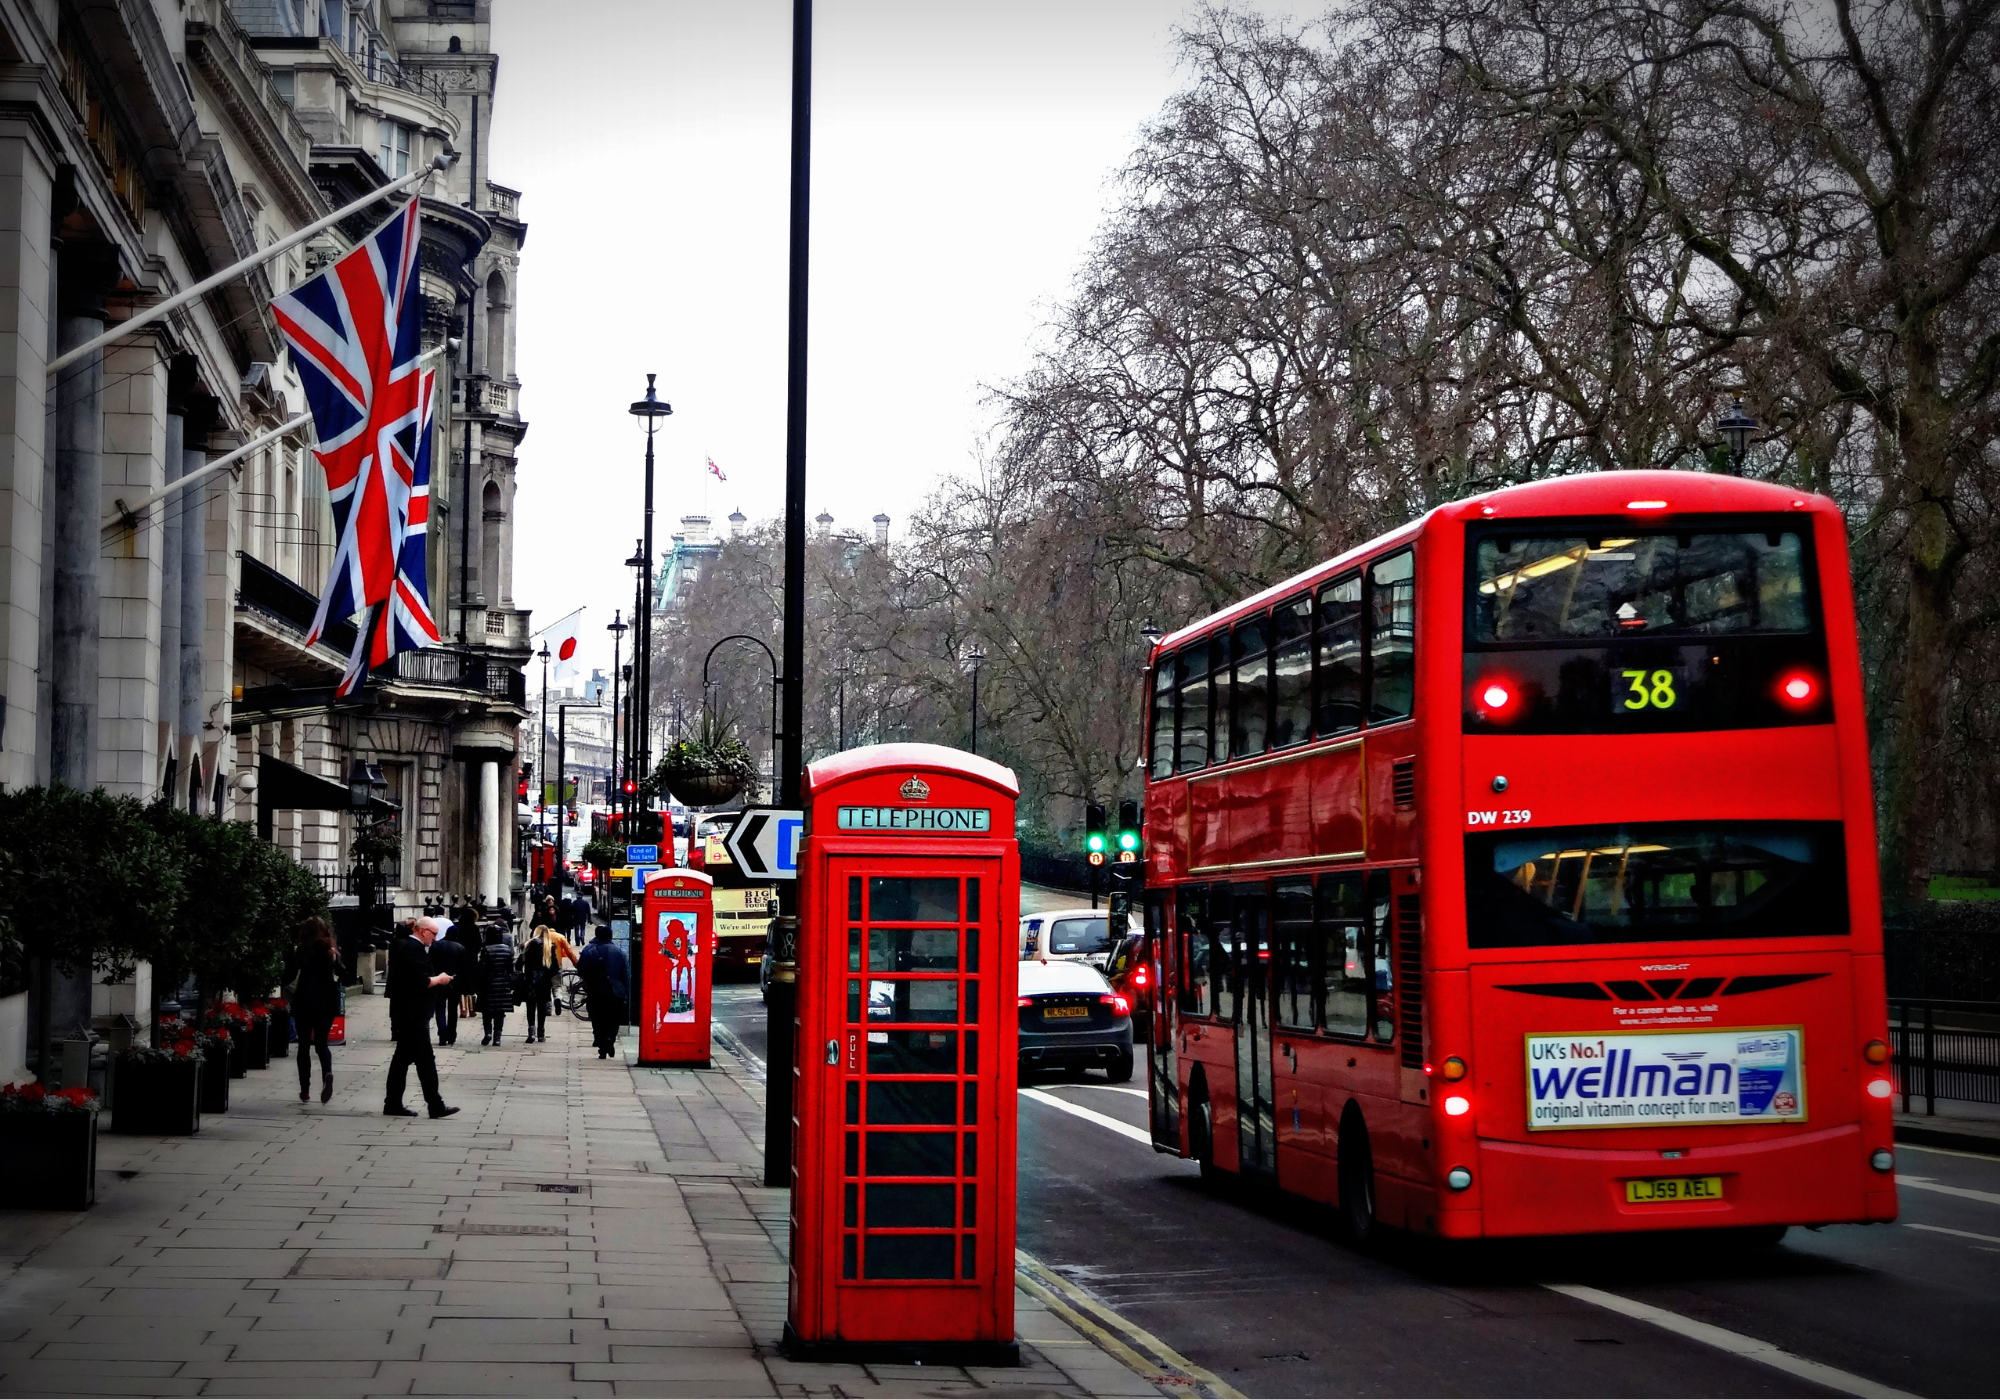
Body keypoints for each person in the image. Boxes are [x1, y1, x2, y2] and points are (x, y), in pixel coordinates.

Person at [385, 916, 459, 1118]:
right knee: (425, 1059)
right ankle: (435, 1105)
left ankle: (393, 1103)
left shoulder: (411, 948)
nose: (435, 939)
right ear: (423, 931)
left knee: (402, 1060)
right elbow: (419, 981)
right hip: (413, 1013)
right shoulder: (412, 949)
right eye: (434, 934)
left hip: (411, 1013)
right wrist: (440, 979)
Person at [286, 916, 342, 1104]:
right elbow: (346, 975)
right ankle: (327, 1073)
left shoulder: (300, 951)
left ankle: (305, 1090)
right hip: (326, 1002)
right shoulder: (330, 951)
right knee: (321, 1043)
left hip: (304, 1000)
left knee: (303, 1046)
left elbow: (289, 975)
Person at [577, 924, 630, 1059]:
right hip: (615, 991)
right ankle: (609, 1039)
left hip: (596, 990)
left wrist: (590, 981)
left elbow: (582, 970)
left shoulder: (590, 952)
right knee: (614, 1018)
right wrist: (626, 992)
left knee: (598, 1018)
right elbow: (625, 974)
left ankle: (601, 1043)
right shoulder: (620, 953)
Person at [518, 924, 560, 1043]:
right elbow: (556, 967)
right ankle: (541, 1034)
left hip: (531, 980)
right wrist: (547, 974)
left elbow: (519, 964)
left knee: (530, 1007)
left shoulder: (529, 946)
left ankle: (531, 1033)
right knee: (542, 1007)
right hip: (544, 981)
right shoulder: (550, 947)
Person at [428, 922, 467, 1046]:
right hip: (455, 983)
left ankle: (442, 1035)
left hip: (439, 980)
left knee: (439, 1008)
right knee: (452, 1010)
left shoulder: (436, 946)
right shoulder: (460, 948)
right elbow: (464, 968)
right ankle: (451, 1035)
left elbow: (430, 964)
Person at [477, 926, 517, 1046]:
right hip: (503, 983)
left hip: (488, 983)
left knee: (487, 1010)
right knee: (500, 1011)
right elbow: (511, 969)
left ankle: (488, 1033)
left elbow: (482, 968)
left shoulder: (486, 949)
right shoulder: (507, 950)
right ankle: (497, 1037)